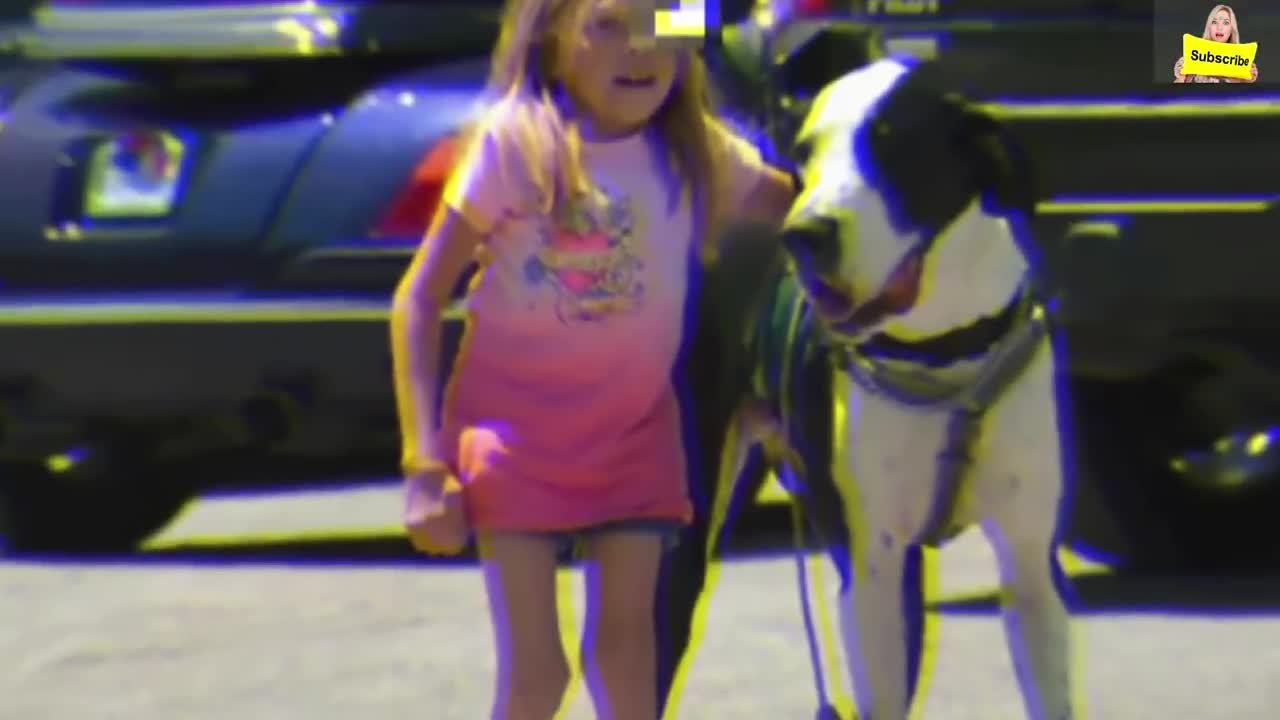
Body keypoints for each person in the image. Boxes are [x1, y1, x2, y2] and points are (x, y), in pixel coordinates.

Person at [390, 0, 794, 717]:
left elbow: (801, 214)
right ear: (554, 35)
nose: (639, 49)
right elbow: (419, 300)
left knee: (630, 661)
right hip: (517, 442)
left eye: (660, 25)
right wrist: (425, 463)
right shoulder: (514, 145)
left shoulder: (696, 150)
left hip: (636, 440)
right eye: (609, 24)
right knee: (539, 673)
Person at [1174, 4, 1259, 83]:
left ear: (1231, 29)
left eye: (1225, 23)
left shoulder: (1243, 61)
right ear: (1209, 27)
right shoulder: (1190, 58)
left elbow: (1246, 96)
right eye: (1214, 22)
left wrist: (1247, 80)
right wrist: (1183, 79)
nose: (1219, 27)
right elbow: (1175, 94)